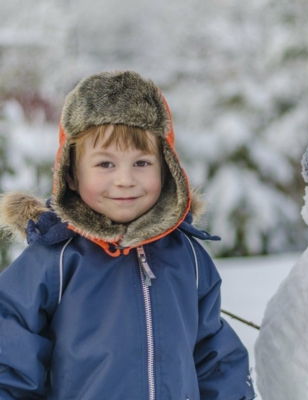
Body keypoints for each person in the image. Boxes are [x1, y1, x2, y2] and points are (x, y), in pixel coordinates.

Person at [0, 70, 255, 400]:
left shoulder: (187, 255)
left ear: (167, 169)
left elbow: (215, 358)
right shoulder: (54, 261)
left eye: (141, 163)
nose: (125, 180)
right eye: (105, 164)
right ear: (72, 175)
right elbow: (10, 362)